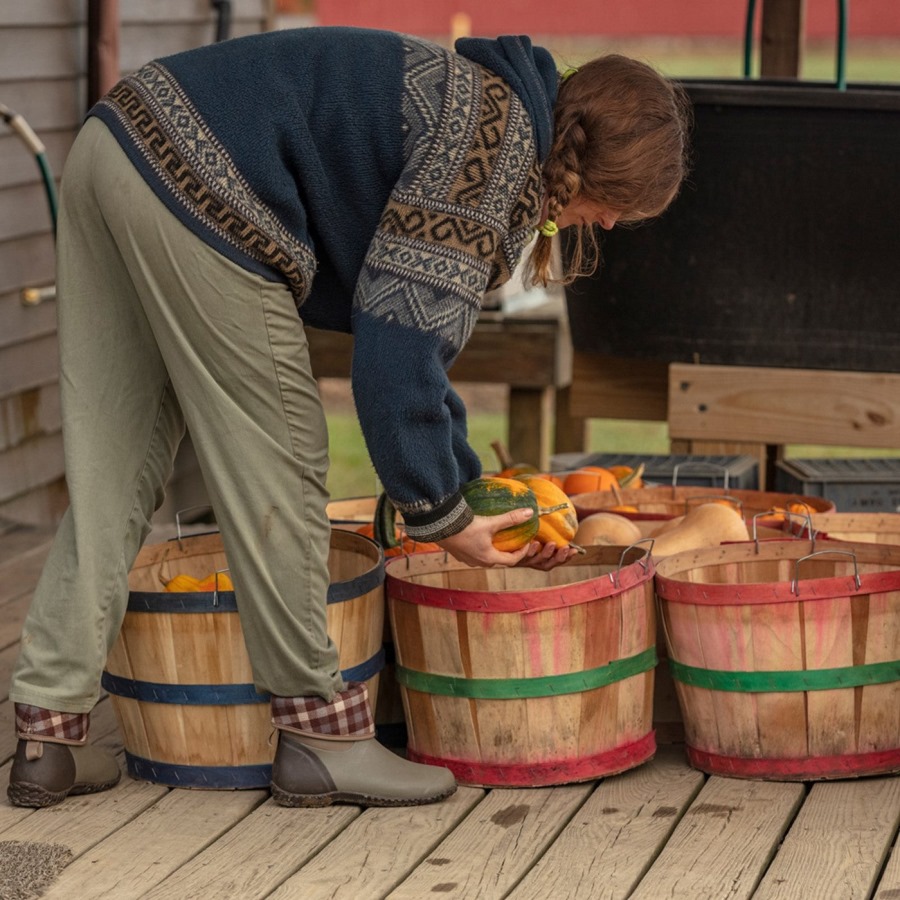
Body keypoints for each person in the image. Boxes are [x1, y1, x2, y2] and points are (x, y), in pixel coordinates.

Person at [7, 26, 691, 809]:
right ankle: (321, 736)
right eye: (620, 210)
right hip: (207, 188)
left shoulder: (488, 114)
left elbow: (414, 348)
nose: (605, 227)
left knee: (111, 463)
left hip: (114, 140)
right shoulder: (493, 153)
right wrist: (440, 513)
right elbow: (395, 352)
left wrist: (459, 490)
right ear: (598, 179)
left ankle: (47, 735)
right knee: (283, 455)